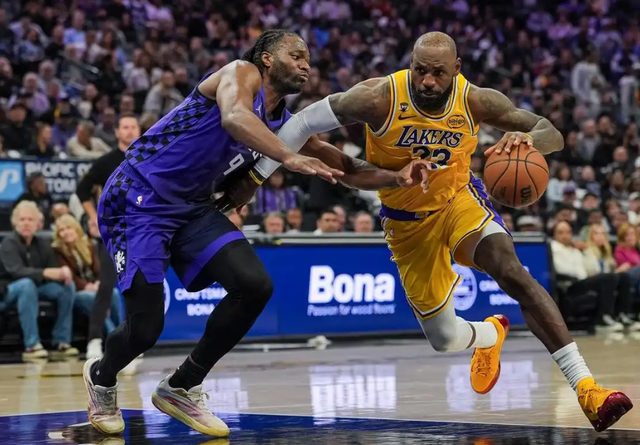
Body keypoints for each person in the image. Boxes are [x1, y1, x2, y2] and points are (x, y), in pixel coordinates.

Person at [219, 31, 633, 431]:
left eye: (438, 72)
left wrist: (526, 139)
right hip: (406, 221)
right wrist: (255, 178)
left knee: (511, 272)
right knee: (445, 338)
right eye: (420, 70)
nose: (428, 81)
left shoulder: (475, 100)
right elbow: (299, 124)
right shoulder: (378, 97)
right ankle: (489, 333)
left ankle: (587, 389)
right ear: (411, 65)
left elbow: (552, 133)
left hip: (458, 200)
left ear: (457, 69)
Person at [84, 29, 430, 437]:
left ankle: (182, 385)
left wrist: (398, 176)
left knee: (254, 285)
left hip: (192, 206)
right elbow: (234, 117)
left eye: (308, 59)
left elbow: (347, 169)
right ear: (267, 57)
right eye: (296, 55)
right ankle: (101, 377)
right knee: (145, 329)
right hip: (138, 195)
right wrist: (287, 157)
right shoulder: (239, 72)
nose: (306, 65)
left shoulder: (283, 122)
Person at [76, 113, 139, 358]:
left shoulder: (148, 156)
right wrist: (93, 216)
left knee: (137, 287)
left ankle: (133, 340)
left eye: (133, 126)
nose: (129, 130)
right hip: (113, 231)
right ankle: (94, 340)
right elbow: (82, 190)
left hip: (141, 231)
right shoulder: (106, 161)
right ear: (117, 132)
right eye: (125, 127)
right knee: (106, 286)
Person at [0, 201, 78, 358]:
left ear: (37, 224)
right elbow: (17, 272)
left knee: (66, 287)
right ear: (15, 223)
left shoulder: (43, 244)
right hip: (7, 290)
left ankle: (61, 342)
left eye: (30, 220)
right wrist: (46, 272)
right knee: (26, 284)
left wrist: (63, 272)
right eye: (22, 219)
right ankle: (32, 345)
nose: (26, 223)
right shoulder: (8, 244)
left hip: (36, 287)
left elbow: (53, 269)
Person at [52, 214, 123, 355]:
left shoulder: (89, 245)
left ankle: (121, 331)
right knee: (93, 299)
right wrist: (86, 286)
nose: (65, 232)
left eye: (68, 228)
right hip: (76, 292)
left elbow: (98, 269)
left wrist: (98, 283)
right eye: (61, 230)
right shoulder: (57, 250)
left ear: (76, 229)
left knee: (113, 294)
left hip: (92, 287)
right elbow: (69, 276)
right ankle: (114, 339)